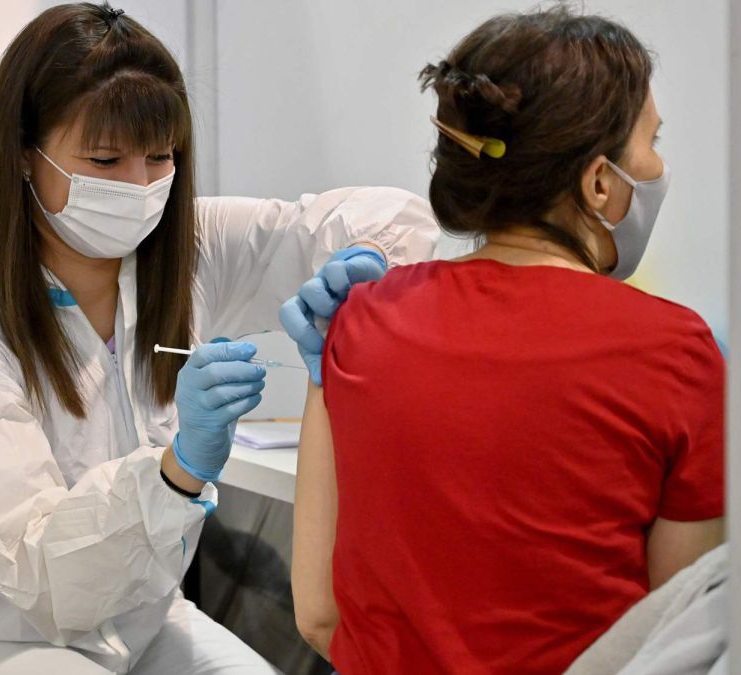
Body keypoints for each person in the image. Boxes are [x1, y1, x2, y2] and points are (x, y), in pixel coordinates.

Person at [0, 2, 439, 673]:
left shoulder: (185, 253)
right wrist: (177, 472)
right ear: (25, 155)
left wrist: (369, 262)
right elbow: (43, 575)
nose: (140, 185)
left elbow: (357, 221)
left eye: (159, 156)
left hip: (134, 620)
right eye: (105, 158)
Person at [288, 7, 724, 674]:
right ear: (599, 182)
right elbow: (677, 646)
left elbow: (319, 612)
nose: (659, 165)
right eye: (652, 141)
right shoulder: (678, 353)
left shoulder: (358, 319)